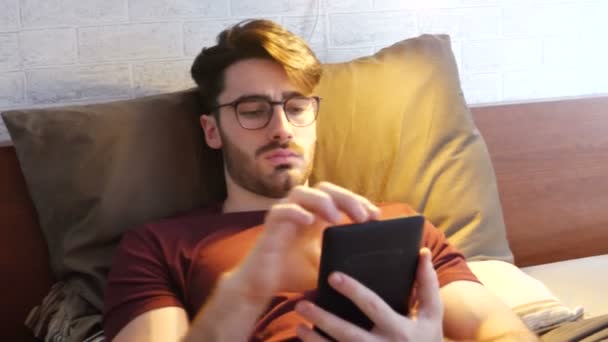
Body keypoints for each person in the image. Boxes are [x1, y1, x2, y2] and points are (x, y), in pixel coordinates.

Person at [102, 19, 537, 341]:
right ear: (212, 130)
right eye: (252, 110)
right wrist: (246, 289)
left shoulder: (394, 224)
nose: (281, 128)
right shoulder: (159, 245)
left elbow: (501, 332)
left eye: (295, 108)